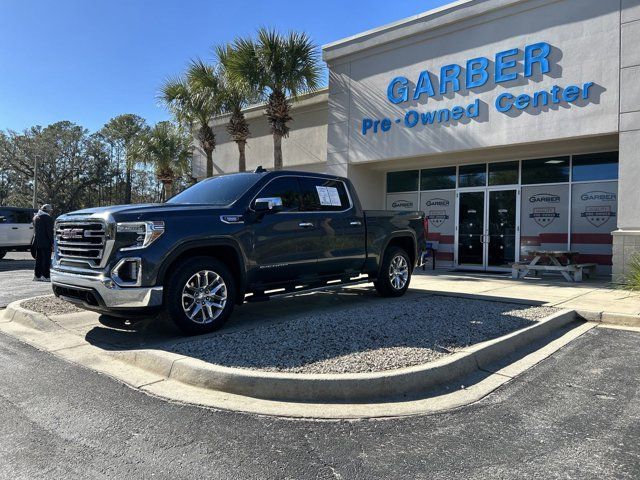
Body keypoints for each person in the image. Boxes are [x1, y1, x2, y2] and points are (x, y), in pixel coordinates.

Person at [33, 204, 54, 282]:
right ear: (48, 211)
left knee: (38, 259)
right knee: (46, 260)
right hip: (46, 243)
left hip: (37, 242)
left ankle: (37, 275)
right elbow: (49, 232)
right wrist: (52, 243)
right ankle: (46, 276)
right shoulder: (48, 218)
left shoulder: (35, 217)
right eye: (50, 211)